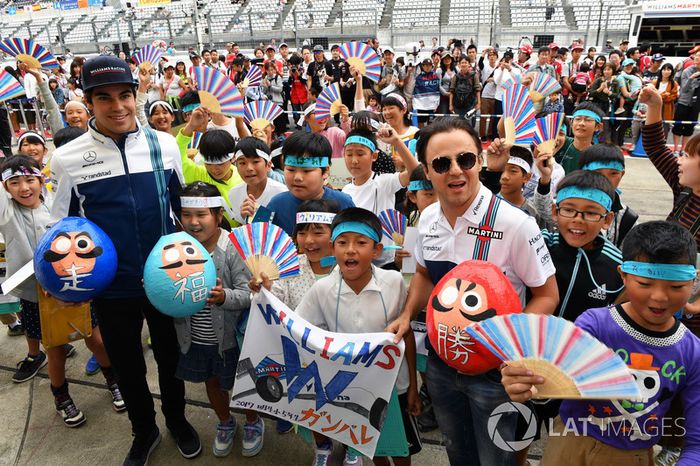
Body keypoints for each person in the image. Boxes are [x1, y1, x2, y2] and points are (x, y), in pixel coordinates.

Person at [50, 55, 199, 465]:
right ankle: (144, 431)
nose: (117, 106)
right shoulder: (68, 157)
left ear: (136, 95)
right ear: (87, 102)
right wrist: (63, 284)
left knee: (171, 358)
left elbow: (181, 209)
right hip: (111, 285)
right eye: (104, 98)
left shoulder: (164, 145)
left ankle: (178, 421)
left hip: (166, 277)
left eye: (125, 95)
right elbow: (60, 226)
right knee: (128, 365)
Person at [386, 117, 558, 465]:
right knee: (459, 455)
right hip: (441, 367)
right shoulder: (429, 217)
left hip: (497, 375)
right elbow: (423, 273)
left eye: (465, 159)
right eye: (441, 163)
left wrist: (508, 344)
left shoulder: (515, 224)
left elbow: (547, 295)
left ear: (479, 161)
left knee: (498, 461)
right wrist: (406, 315)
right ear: (426, 171)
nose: (455, 171)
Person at [501, 220, 700, 466]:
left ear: (694, 283)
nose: (659, 296)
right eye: (645, 284)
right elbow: (553, 381)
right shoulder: (594, 326)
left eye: (676, 286)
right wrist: (527, 385)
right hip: (569, 442)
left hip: (631, 456)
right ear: (623, 275)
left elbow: (696, 442)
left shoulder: (692, 352)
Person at [0, 155, 124, 424]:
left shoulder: (57, 210)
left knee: (97, 340)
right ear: (5, 187)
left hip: (75, 287)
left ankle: (113, 380)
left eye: (30, 180)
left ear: (41, 180)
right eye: (14, 182)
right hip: (36, 297)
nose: (24, 188)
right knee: (55, 350)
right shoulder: (7, 214)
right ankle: (61, 396)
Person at [295, 207, 422, 466]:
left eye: (361, 243)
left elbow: (406, 334)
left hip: (395, 385)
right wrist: (262, 293)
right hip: (352, 388)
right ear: (332, 248)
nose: (350, 250)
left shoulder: (394, 281)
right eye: (342, 243)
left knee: (401, 448)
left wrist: (413, 388)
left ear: (376, 250)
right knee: (371, 443)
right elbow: (296, 328)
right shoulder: (322, 290)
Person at [174, 181, 256, 458]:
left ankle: (254, 423)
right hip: (196, 337)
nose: (193, 222)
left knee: (244, 385)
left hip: (231, 339)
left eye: (201, 215)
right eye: (186, 215)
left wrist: (224, 298)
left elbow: (249, 294)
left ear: (219, 216)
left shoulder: (233, 248)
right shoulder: (176, 249)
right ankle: (225, 422)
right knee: (212, 384)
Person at [341, 127, 418, 267]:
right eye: (349, 154)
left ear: (374, 156)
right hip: (356, 263)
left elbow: (415, 172)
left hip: (385, 264)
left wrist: (396, 142)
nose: (354, 161)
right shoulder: (345, 190)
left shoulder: (384, 182)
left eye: (360, 154)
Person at [640, 84, 700, 250]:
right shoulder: (684, 187)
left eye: (686, 156)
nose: (679, 160)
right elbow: (656, 147)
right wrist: (654, 106)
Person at [267, 131, 355, 236]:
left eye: (307, 171)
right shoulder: (276, 204)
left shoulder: (343, 203)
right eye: (291, 170)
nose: (297, 178)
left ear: (326, 171)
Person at [577, 144, 638, 247]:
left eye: (613, 173)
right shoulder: (568, 205)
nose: (605, 179)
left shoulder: (627, 218)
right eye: (597, 173)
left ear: (622, 174)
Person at [227, 137, 287, 225]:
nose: (249, 168)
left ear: (269, 165)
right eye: (242, 163)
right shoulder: (234, 194)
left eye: (255, 161)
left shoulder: (282, 193)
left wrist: (258, 216)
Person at [554, 103, 605, 173]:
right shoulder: (560, 143)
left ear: (598, 127)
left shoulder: (599, 155)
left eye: (588, 120)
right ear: (571, 123)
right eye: (578, 119)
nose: (581, 123)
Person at [671, 50, 700, 154]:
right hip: (684, 102)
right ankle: (675, 148)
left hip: (696, 105)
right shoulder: (687, 71)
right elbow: (684, 88)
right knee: (678, 126)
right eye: (696, 56)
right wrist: (692, 78)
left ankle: (683, 149)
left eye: (699, 56)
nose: (696, 58)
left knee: (689, 127)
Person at [449, 56, 481, 120]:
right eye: (462, 62)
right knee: (458, 124)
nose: (464, 64)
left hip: (471, 105)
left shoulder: (474, 75)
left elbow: (478, 90)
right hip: (457, 105)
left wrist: (479, 103)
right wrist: (450, 104)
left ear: (469, 64)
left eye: (465, 62)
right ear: (459, 64)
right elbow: (451, 91)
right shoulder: (455, 76)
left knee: (470, 125)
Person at [412, 59, 441, 127]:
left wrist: (436, 104)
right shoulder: (418, 76)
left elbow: (437, 89)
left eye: (429, 65)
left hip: (432, 105)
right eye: (425, 65)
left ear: (431, 66)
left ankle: (430, 137)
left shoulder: (436, 75)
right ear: (423, 66)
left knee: (431, 123)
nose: (427, 67)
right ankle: (421, 136)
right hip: (421, 105)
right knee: (421, 122)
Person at [653, 63, 678, 139]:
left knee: (664, 130)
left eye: (668, 69)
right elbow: (652, 96)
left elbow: (673, 97)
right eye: (664, 69)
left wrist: (660, 95)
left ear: (671, 71)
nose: (666, 71)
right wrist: (665, 94)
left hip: (667, 109)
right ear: (661, 71)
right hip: (654, 108)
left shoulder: (674, 84)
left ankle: (662, 147)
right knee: (653, 128)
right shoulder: (655, 82)